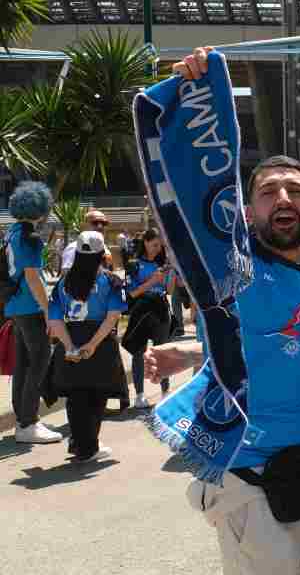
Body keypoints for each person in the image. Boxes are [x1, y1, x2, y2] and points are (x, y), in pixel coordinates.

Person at [144, 38, 300, 575]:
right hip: (247, 477)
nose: (283, 199)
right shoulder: (230, 270)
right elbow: (189, 199)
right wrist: (191, 99)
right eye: (268, 191)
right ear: (248, 210)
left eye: (294, 191)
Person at [45, 230, 126, 463]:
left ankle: (80, 443)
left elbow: (55, 320)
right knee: (97, 394)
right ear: (102, 254)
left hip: (71, 336)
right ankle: (88, 447)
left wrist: (69, 346)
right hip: (100, 341)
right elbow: (112, 317)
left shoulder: (63, 282)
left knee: (75, 394)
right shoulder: (111, 280)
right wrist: (92, 345)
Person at [4, 181, 62, 445]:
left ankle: (23, 419)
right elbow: (33, 278)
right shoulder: (31, 237)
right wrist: (49, 310)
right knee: (39, 361)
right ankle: (27, 423)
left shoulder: (11, 232)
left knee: (23, 364)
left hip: (13, 306)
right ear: (41, 209)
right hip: (29, 307)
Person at [122, 228, 173, 408]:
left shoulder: (162, 263)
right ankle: (140, 395)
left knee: (162, 352)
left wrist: (171, 273)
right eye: (154, 245)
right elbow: (131, 294)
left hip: (160, 309)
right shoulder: (134, 265)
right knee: (138, 353)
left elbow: (170, 291)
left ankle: (166, 390)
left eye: (160, 245)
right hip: (141, 311)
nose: (158, 249)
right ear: (145, 242)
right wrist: (151, 282)